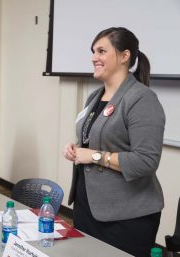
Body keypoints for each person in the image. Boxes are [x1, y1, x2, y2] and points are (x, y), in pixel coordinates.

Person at [62, 27, 165, 257]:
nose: (93, 58)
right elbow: (95, 139)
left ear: (124, 56)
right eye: (93, 51)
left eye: (101, 51)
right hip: (88, 206)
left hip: (126, 215)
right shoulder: (94, 96)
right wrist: (76, 148)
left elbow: (146, 161)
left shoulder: (142, 99)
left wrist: (95, 156)